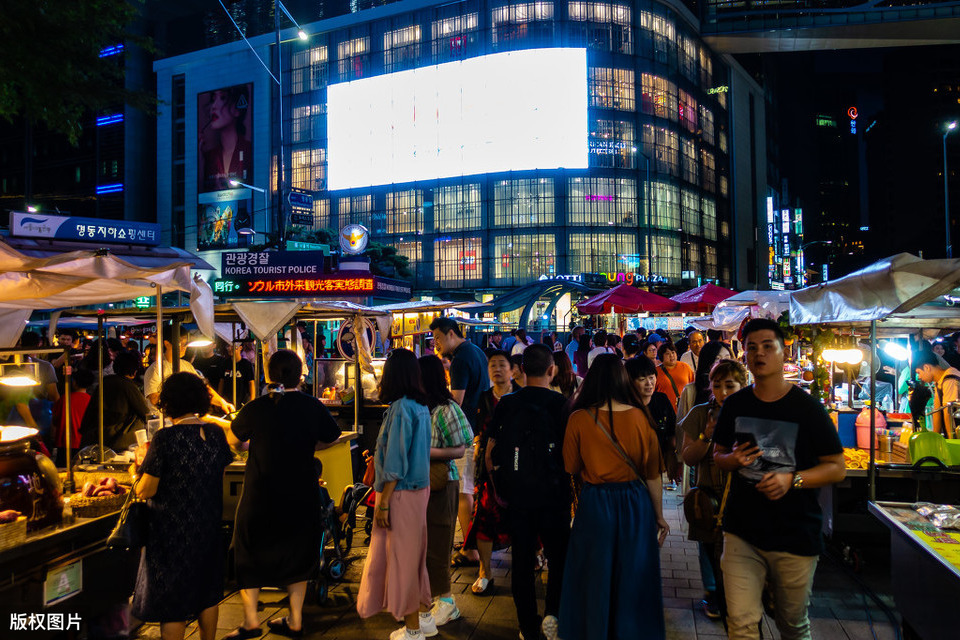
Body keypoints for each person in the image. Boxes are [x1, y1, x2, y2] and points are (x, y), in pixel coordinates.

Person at [713, 319, 845, 640]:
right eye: (751, 348)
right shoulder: (735, 404)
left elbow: (836, 467)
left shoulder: (808, 409)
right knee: (741, 624)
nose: (759, 354)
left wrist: (793, 480)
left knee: (792, 625)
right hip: (742, 530)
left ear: (783, 352)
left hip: (795, 534)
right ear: (744, 355)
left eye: (767, 346)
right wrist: (734, 459)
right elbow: (718, 455)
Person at [228, 350, 342, 639]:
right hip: (300, 492)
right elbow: (333, 436)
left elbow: (234, 441)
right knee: (298, 551)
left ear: (268, 375)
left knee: (248, 551)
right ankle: (295, 620)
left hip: (260, 493)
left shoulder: (257, 407)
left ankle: (251, 622)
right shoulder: (311, 405)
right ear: (300, 373)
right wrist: (308, 447)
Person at [560, 353, 669, 640]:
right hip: (636, 502)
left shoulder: (579, 419)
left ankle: (595, 630)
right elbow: (653, 474)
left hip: (596, 503)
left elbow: (570, 467)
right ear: (623, 379)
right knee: (633, 573)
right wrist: (659, 515)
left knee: (596, 573)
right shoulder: (640, 417)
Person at [131, 372, 234, 640]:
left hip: (170, 532)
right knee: (207, 592)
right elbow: (218, 475)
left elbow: (147, 490)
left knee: (173, 603)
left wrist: (136, 475)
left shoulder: (166, 439)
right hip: (208, 524)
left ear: (168, 403)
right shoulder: (214, 434)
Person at [486, 344, 570, 640]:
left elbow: (490, 453)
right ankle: (554, 616)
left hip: (518, 497)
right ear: (552, 370)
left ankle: (527, 625)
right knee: (559, 558)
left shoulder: (507, 404)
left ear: (521, 370)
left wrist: (500, 489)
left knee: (521, 561)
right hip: (555, 496)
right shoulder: (563, 405)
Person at [357, 349, 433, 640]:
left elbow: (395, 462)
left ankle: (413, 630)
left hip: (401, 493)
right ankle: (424, 618)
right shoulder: (420, 406)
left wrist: (384, 502)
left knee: (402, 559)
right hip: (418, 490)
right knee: (414, 556)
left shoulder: (401, 408)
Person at [679, 359, 748, 620]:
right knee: (708, 547)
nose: (723, 392)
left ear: (743, 385)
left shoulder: (751, 413)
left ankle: (736, 595)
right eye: (717, 386)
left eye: (730, 385)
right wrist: (706, 435)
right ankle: (713, 594)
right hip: (709, 494)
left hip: (742, 494)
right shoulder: (699, 414)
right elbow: (687, 457)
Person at [417, 355, 472, 632]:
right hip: (417, 484)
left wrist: (426, 453)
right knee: (423, 546)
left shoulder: (446, 408)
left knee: (439, 543)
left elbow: (461, 446)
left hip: (441, 482)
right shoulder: (417, 407)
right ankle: (429, 600)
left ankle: (447, 602)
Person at [429, 317, 489, 558]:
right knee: (469, 490)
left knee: (464, 492)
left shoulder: (460, 359)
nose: (436, 344)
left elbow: (457, 400)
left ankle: (470, 548)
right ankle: (471, 543)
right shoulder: (475, 351)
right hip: (477, 427)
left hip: (465, 431)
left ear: (451, 334)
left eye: (438, 338)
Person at [459, 351, 516, 594]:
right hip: (489, 470)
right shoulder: (483, 398)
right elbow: (477, 431)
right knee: (483, 515)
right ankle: (485, 571)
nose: (497, 369)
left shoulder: (520, 396)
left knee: (521, 517)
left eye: (502, 365)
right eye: (493, 365)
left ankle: (533, 555)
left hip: (517, 468)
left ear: (512, 370)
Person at [144, 327, 234, 415]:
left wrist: (222, 402)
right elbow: (154, 399)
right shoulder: (156, 369)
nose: (185, 347)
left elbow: (203, 389)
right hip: (162, 421)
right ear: (167, 344)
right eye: (181, 343)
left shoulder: (187, 366)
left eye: (186, 343)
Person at [79, 351, 152, 452]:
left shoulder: (104, 383)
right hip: (121, 441)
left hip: (100, 438)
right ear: (134, 371)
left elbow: (90, 413)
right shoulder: (129, 386)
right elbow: (144, 411)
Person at [626, 356, 679, 490]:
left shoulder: (661, 400)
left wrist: (672, 457)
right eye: (642, 379)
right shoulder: (624, 406)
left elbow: (672, 431)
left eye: (651, 377)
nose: (649, 383)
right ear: (630, 381)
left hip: (656, 467)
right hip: (629, 469)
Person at [200, 85, 252, 192]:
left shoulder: (249, 151)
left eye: (223, 98)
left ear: (237, 109)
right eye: (213, 99)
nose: (214, 106)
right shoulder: (208, 157)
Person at [913, 348, 960, 438]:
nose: (919, 377)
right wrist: (935, 438)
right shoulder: (939, 381)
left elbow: (949, 413)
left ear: (927, 367)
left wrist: (951, 441)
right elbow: (937, 411)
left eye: (919, 372)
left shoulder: (950, 380)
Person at [52, 369, 94, 466]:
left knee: (63, 471)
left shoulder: (65, 399)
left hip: (64, 443)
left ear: (74, 382)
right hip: (84, 444)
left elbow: (55, 420)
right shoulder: (91, 400)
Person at [656, 342, 696, 410]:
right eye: (667, 354)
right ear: (661, 356)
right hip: (665, 410)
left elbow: (693, 386)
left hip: (685, 409)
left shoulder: (685, 367)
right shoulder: (656, 372)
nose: (671, 355)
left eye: (673, 352)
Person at [220, 340, 257, 408]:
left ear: (240, 347)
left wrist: (252, 401)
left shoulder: (246, 364)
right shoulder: (225, 363)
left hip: (243, 400)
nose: (229, 348)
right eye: (228, 346)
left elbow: (251, 383)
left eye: (232, 346)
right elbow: (221, 382)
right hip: (227, 400)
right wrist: (220, 398)